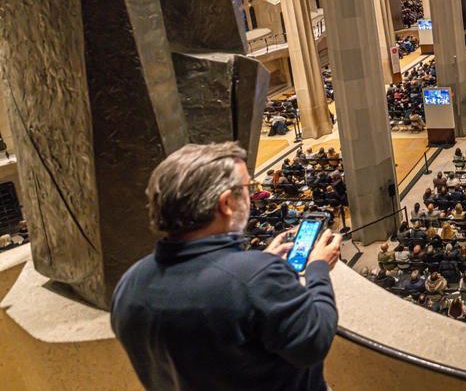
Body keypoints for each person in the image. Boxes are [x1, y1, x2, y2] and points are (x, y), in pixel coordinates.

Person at [111, 142, 342, 391]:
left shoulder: (129, 283)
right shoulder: (256, 277)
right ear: (226, 204)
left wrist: (254, 264)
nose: (251, 196)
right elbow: (314, 343)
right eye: (247, 188)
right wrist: (318, 267)